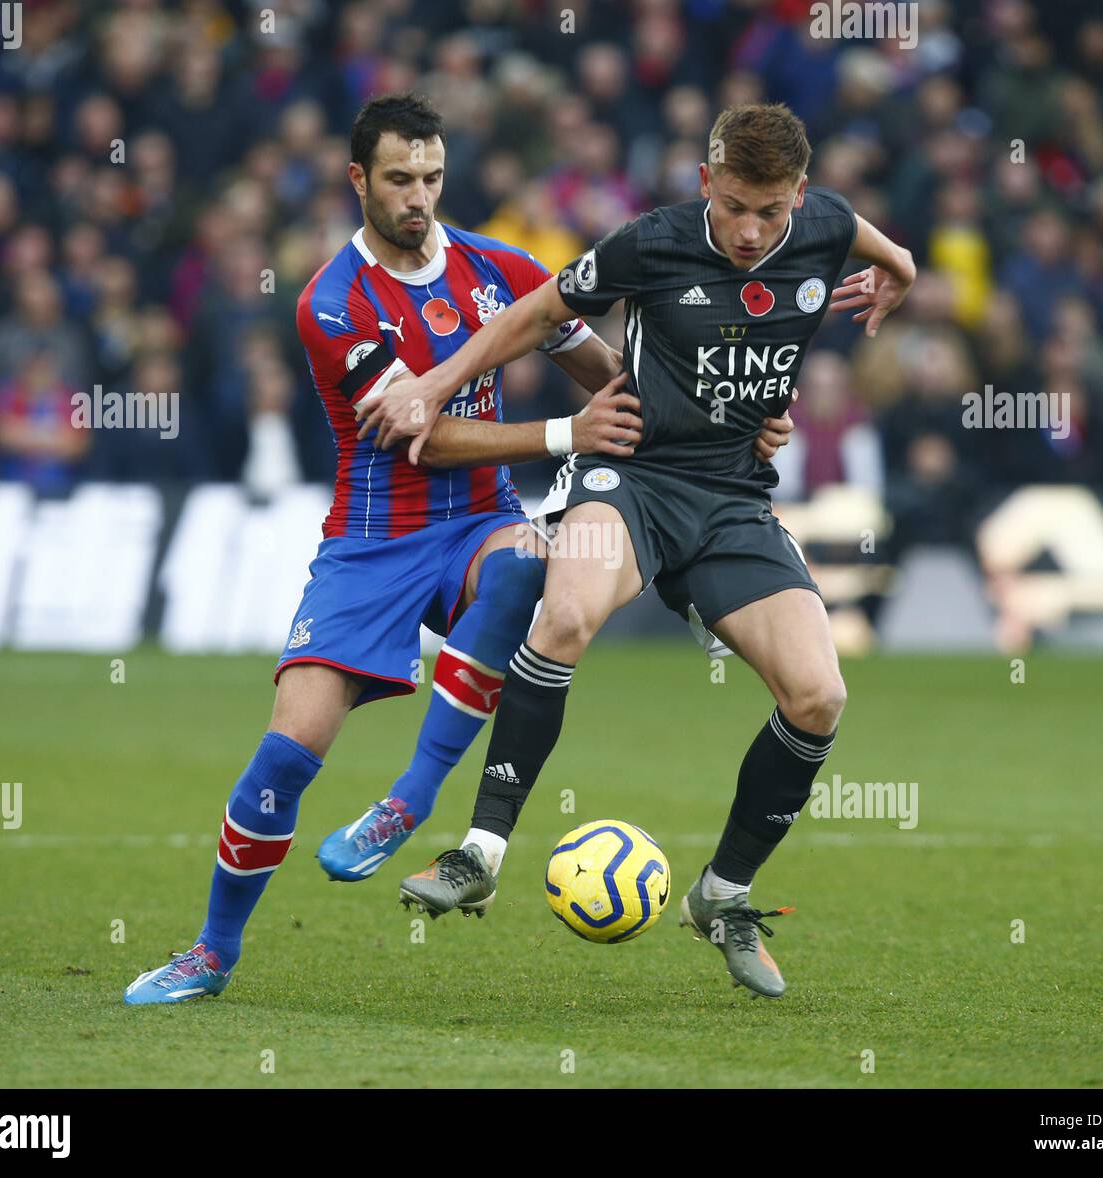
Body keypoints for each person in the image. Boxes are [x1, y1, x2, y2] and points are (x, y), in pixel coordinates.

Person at [123, 94, 788, 1005]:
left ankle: (413, 798)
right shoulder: (332, 302)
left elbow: (615, 379)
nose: (418, 197)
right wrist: (568, 435)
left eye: (433, 177)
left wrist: (733, 418)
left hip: (482, 524)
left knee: (525, 567)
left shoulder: (502, 268)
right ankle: (211, 950)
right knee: (288, 752)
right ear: (359, 179)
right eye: (399, 179)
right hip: (372, 540)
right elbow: (420, 435)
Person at [365, 103, 916, 999]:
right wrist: (431, 386)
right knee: (568, 612)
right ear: (705, 184)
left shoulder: (824, 225)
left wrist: (899, 272)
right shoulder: (649, 244)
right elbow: (535, 314)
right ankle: (481, 850)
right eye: (733, 204)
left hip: (735, 498)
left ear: (799, 198)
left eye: (769, 212)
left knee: (819, 695)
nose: (749, 230)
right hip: (630, 472)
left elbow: (883, 248)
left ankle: (724, 896)